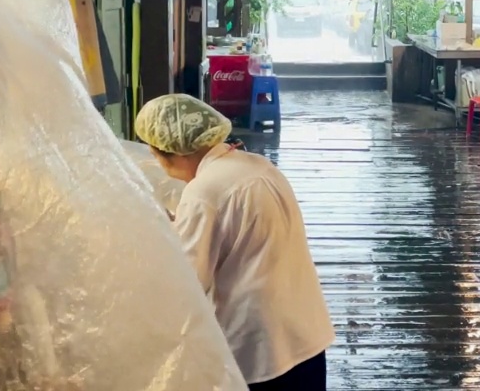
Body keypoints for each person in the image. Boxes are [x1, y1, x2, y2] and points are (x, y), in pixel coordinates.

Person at [135, 94, 334, 390]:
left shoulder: (204, 192)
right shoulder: (258, 166)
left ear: (166, 151)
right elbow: (243, 238)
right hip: (306, 335)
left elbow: (187, 281)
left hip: (261, 348)